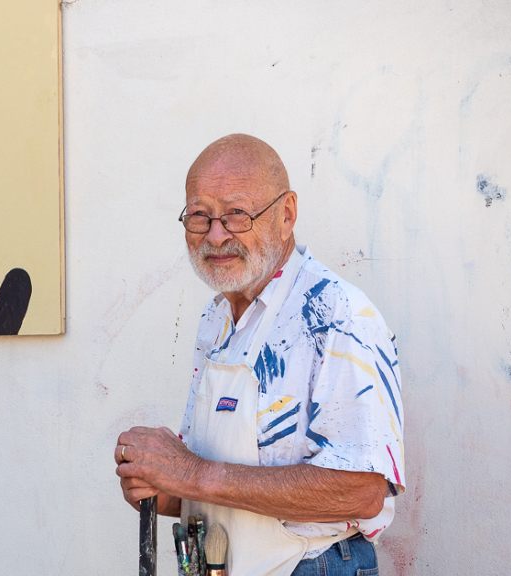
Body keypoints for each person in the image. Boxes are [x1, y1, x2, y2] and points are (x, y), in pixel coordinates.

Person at [115, 134, 405, 575]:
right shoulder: (217, 319)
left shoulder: (335, 315)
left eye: (236, 214)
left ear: (286, 214)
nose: (216, 235)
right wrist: (159, 484)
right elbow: (214, 482)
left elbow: (361, 491)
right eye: (200, 216)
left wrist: (187, 472)